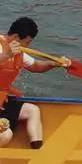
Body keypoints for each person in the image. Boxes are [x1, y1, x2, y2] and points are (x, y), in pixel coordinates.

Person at [0, 17, 71, 149]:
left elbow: (35, 66)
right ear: (16, 37)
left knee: (32, 110)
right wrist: (5, 56)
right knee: (6, 135)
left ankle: (37, 151)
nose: (28, 46)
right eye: (27, 42)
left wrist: (53, 63)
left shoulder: (18, 53)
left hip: (1, 102)